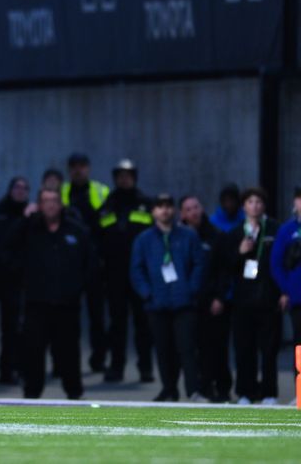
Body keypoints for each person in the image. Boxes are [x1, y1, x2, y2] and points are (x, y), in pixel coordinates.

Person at [12, 187, 94, 399]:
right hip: (36, 304)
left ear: (61, 204)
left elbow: (90, 264)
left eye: (54, 200)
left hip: (67, 304)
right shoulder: (29, 230)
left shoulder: (76, 231)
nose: (50, 205)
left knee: (68, 352)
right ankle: (31, 394)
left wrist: (78, 288)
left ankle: (74, 393)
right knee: (34, 351)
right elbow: (6, 248)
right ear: (39, 204)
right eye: (45, 200)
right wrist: (23, 220)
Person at [130, 194, 205, 402]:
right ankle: (169, 389)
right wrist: (147, 293)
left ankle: (193, 390)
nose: (165, 210)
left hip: (184, 302)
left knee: (187, 348)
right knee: (163, 350)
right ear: (154, 211)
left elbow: (199, 264)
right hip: (157, 303)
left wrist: (191, 289)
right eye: (160, 206)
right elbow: (136, 269)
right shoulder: (144, 239)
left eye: (168, 206)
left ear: (174, 210)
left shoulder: (188, 236)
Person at [220, 188, 285, 405]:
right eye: (250, 202)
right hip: (243, 301)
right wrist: (240, 252)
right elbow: (227, 266)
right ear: (244, 206)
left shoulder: (275, 230)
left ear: (264, 205)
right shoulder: (236, 232)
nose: (255, 206)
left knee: (268, 350)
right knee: (243, 348)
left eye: (258, 201)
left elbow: (283, 264)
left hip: (268, 299)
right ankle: (245, 392)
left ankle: (269, 393)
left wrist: (283, 292)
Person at [97, 159, 154, 383]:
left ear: (134, 177)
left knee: (143, 324)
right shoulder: (108, 205)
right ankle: (116, 367)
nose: (124, 178)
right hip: (115, 275)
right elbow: (99, 238)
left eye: (128, 175)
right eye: (120, 175)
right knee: (117, 324)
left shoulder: (145, 204)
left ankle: (146, 368)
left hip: (140, 274)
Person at [179, 195, 231, 402]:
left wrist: (220, 297)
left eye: (196, 207)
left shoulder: (216, 235)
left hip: (211, 301)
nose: (193, 212)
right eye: (188, 209)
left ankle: (223, 388)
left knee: (217, 346)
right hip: (188, 302)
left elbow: (224, 270)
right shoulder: (177, 236)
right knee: (194, 349)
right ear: (182, 214)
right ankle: (204, 388)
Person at [61, 152, 110, 373]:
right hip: (69, 262)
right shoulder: (62, 192)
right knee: (66, 314)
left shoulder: (101, 191)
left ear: (88, 168)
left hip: (94, 261)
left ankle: (98, 358)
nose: (78, 170)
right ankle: (66, 360)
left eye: (82, 166)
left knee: (97, 315)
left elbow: (106, 225)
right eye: (74, 166)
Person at [0, 177, 30, 385]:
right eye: (17, 187)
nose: (20, 191)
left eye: (25, 188)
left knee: (15, 328)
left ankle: (12, 369)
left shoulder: (33, 215)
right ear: (10, 189)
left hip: (20, 279)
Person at [270, 186, 301, 404]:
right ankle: (300, 393)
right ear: (295, 202)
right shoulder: (287, 230)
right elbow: (276, 264)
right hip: (297, 297)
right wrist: (286, 290)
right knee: (299, 347)